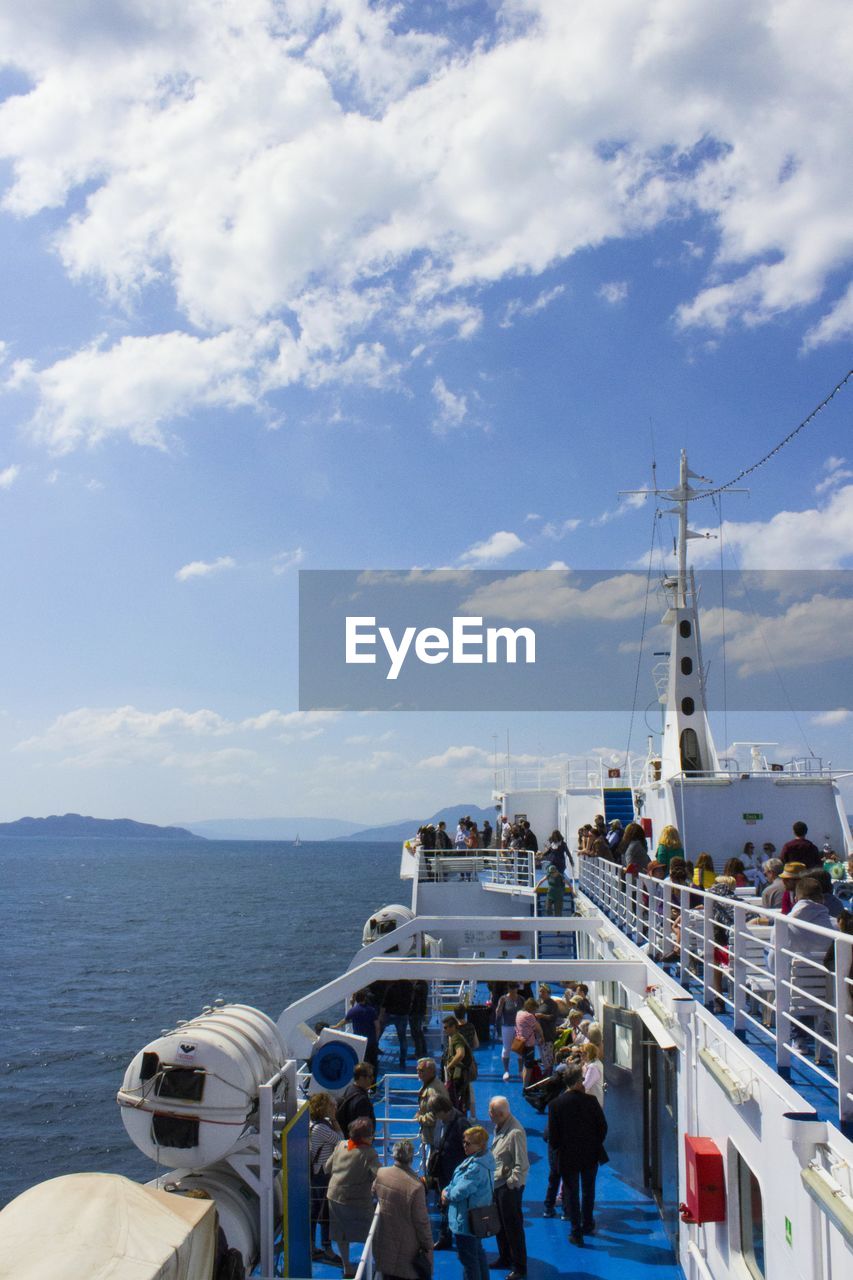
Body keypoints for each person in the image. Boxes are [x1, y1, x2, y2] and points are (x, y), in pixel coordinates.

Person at [547, 1063, 607, 1247]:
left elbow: (553, 1136)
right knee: (588, 1190)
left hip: (567, 1155)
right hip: (590, 1154)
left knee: (571, 1192)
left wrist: (560, 1149)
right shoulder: (591, 1101)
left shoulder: (556, 1105)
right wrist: (594, 1143)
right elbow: (602, 1127)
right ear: (579, 1081)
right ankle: (587, 1223)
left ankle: (576, 1231)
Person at [325, 1116, 380, 1279]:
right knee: (372, 1234)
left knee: (341, 1234)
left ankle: (347, 1267)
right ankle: (378, 1267)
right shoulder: (369, 1153)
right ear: (365, 1136)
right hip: (358, 1202)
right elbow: (380, 1175)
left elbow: (327, 1167)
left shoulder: (340, 1145)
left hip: (334, 1196)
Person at [372, 1138, 434, 1280]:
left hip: (385, 1239)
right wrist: (428, 1245)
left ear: (394, 1155)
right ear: (411, 1158)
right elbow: (421, 1221)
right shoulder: (416, 1186)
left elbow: (373, 1193)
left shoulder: (381, 1173)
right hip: (408, 1247)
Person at [442, 1125, 495, 1280]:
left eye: (468, 1143)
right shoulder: (486, 1159)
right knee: (478, 1255)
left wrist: (446, 1193)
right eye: (464, 1142)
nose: (464, 1146)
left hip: (466, 1221)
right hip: (476, 1218)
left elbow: (461, 1191)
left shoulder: (475, 1168)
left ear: (481, 1145)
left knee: (469, 1261)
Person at [489, 1097, 529, 1280]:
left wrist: (511, 1184)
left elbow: (522, 1165)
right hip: (498, 1184)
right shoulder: (500, 1126)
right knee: (501, 1225)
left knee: (513, 1227)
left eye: (492, 1113)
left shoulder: (515, 1133)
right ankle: (505, 1257)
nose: (489, 1116)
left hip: (508, 1187)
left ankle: (519, 1267)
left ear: (501, 1114)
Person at [428, 1095, 468, 1250]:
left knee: (458, 1208)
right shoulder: (441, 1121)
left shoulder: (461, 1124)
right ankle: (445, 1237)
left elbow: (470, 1151)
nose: (435, 1117)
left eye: (435, 1113)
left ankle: (462, 1239)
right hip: (443, 1173)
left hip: (457, 1175)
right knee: (444, 1205)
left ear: (443, 1110)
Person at [309, 1092, 342, 1265]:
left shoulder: (317, 1125)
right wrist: (335, 1121)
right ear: (323, 1108)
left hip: (319, 1174)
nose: (334, 1107)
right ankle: (326, 1248)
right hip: (322, 1175)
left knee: (316, 1211)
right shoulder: (322, 1128)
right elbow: (341, 1142)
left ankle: (314, 1246)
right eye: (331, 1105)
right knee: (324, 1212)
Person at [340, 991, 380, 1073]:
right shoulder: (371, 1010)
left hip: (359, 1041)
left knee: (362, 1062)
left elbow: (345, 1020)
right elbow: (377, 1026)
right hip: (371, 1040)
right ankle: (373, 1083)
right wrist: (376, 1039)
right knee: (373, 1062)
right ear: (365, 998)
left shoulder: (353, 1011)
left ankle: (363, 1080)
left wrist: (335, 1026)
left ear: (356, 999)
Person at [415, 1058, 450, 1149]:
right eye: (417, 1070)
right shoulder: (431, 1084)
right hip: (435, 1135)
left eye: (421, 1070)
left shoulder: (433, 1090)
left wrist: (420, 1118)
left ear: (431, 1071)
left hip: (435, 1136)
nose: (418, 1072)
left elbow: (435, 1115)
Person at [443, 1015, 474, 1113]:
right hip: (461, 1075)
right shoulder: (454, 1037)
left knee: (457, 1101)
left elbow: (460, 1054)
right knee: (460, 1101)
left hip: (459, 1076)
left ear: (453, 1027)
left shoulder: (456, 1038)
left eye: (446, 1027)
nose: (444, 1030)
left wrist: (449, 1066)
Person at [454, 1004, 481, 1118]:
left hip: (456, 1064)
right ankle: (473, 1116)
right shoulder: (470, 1026)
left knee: (455, 1090)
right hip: (469, 1062)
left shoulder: (453, 1029)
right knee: (469, 1089)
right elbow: (476, 1044)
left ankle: (457, 1115)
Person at [335, 1062, 375, 1134]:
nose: (373, 1079)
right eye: (370, 1076)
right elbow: (363, 1128)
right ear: (361, 1078)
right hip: (359, 1142)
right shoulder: (362, 1100)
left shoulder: (350, 1089)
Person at [381, 980, 413, 1070]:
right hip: (403, 1015)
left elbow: (385, 1004)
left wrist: (381, 1017)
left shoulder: (392, 987)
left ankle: (373, 1049)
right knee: (402, 1038)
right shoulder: (409, 986)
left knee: (379, 1030)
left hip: (390, 1014)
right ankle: (402, 1060)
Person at [494, 983, 522, 1082]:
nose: (513, 990)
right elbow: (498, 1014)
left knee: (520, 1048)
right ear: (508, 988)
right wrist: (500, 1005)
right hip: (507, 1027)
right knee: (506, 1048)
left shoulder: (521, 999)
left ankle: (520, 1070)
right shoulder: (503, 999)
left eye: (515, 987)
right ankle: (506, 1071)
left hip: (519, 1027)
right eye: (511, 987)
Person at [514, 998, 544, 1087]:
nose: (535, 1011)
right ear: (531, 1007)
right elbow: (537, 1027)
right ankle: (526, 1087)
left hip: (520, 1043)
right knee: (529, 1067)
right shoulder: (529, 1016)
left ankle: (524, 1084)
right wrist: (542, 1036)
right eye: (534, 1009)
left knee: (525, 1065)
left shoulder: (519, 1013)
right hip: (528, 1045)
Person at [536, 983, 560, 1073]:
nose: (541, 993)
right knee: (542, 1055)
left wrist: (542, 1016)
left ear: (548, 992)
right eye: (540, 991)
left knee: (548, 1056)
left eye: (543, 991)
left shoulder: (552, 1004)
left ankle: (549, 1074)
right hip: (539, 1033)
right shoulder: (538, 1002)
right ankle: (546, 1073)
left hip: (548, 1034)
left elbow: (554, 1017)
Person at [580, 1042, 604, 1106]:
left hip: (595, 1104)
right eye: (581, 1052)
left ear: (591, 1054)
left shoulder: (593, 1067)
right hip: (592, 1101)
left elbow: (585, 1086)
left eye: (584, 1053)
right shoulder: (591, 1063)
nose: (581, 1055)